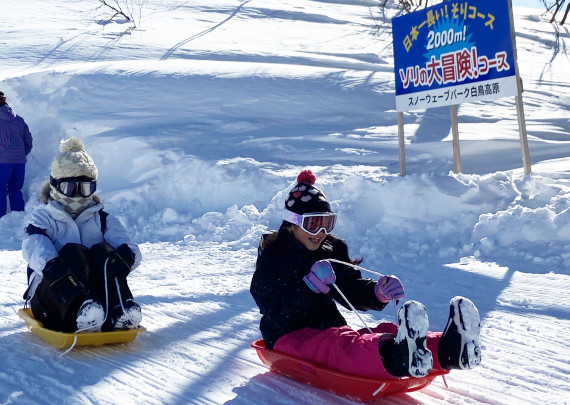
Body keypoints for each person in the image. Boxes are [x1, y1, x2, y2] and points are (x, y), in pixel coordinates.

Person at [250, 169, 482, 379]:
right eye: (313, 224)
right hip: (287, 336)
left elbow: (350, 289)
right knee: (342, 347)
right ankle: (399, 358)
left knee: (383, 331)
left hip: (328, 327)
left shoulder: (332, 250)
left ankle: (449, 349)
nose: (320, 233)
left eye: (327, 224)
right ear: (291, 223)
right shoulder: (274, 255)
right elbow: (272, 309)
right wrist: (308, 288)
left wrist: (376, 292)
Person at [22, 137, 142, 333]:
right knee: (72, 252)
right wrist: (52, 266)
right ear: (55, 185)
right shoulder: (44, 218)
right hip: (52, 296)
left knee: (104, 252)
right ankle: (78, 308)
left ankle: (118, 310)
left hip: (98, 301)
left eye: (85, 188)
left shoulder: (103, 219)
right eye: (69, 188)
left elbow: (127, 245)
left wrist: (127, 256)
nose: (78, 195)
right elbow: (34, 246)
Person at [0, 91, 33, 218]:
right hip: (19, 162)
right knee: (15, 190)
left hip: (2, 163)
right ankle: (18, 218)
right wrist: (21, 154)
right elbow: (28, 141)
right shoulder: (19, 119)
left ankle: (1, 220)